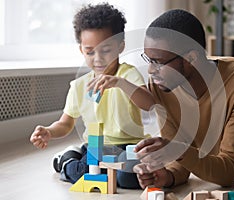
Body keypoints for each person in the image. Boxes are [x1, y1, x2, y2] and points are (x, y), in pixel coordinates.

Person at [132, 9, 234, 189]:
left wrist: (178, 150)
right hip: (226, 128)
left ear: (191, 58)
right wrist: (168, 176)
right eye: (148, 60)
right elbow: (180, 160)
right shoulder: (161, 85)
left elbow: (229, 172)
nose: (150, 70)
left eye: (158, 62)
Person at [29, 3, 154, 189]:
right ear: (81, 50)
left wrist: (119, 83)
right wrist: (49, 131)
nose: (98, 58)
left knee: (129, 179)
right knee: (84, 172)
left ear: (121, 46)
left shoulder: (128, 74)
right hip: (96, 147)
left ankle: (79, 160)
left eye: (106, 50)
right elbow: (65, 123)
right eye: (90, 52)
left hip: (130, 146)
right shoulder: (80, 86)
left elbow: (149, 103)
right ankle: (67, 160)